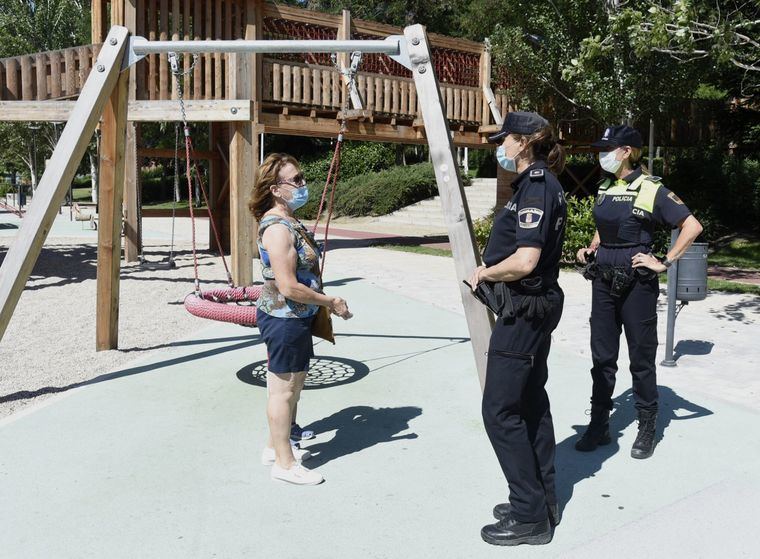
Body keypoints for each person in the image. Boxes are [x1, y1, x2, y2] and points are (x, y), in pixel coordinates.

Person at [575, 125, 703, 459]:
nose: (603, 155)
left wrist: (665, 262)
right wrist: (591, 248)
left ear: (627, 151)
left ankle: (647, 425)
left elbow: (692, 225)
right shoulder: (604, 186)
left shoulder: (651, 188)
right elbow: (606, 230)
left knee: (641, 358)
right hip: (603, 279)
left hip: (637, 282)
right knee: (602, 356)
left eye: (609, 149)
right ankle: (599, 425)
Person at [469, 111, 567, 546]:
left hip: (525, 309)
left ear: (526, 142)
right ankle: (542, 501)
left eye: (504, 139)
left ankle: (530, 517)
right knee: (529, 402)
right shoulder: (536, 184)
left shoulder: (537, 187)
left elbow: (526, 260)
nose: (500, 147)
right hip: (535, 305)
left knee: (500, 410)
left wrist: (486, 274)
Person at [250, 153, 352, 485]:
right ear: (276, 189)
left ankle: (273, 446)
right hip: (284, 317)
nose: (303, 184)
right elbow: (288, 286)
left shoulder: (289, 220)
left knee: (293, 388)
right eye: (296, 180)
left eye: (302, 176)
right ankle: (284, 463)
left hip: (295, 317)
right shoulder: (277, 229)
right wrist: (330, 301)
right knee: (283, 391)